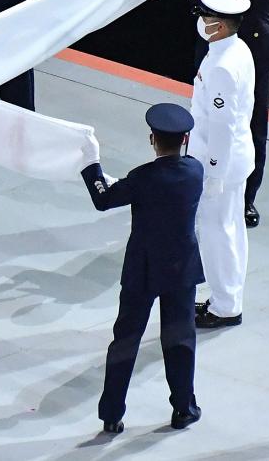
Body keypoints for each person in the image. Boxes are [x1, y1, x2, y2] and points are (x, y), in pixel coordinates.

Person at [80, 104, 204, 433]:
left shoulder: (142, 179)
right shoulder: (195, 172)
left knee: (126, 340)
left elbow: (103, 198)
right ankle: (183, 408)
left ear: (152, 138)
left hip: (143, 269)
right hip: (180, 269)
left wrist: (91, 163)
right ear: (185, 139)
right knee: (180, 340)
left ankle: (111, 414)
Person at [169, 0, 269, 227]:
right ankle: (199, 182)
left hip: (251, 51)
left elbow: (228, 3)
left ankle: (246, 199)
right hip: (214, 44)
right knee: (204, 114)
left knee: (251, 126)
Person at [181, 0, 255, 329]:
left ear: (221, 25)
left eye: (206, 17)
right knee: (231, 229)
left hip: (220, 163)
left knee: (216, 233)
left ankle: (225, 307)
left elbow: (222, 127)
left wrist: (213, 174)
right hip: (234, 159)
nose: (201, 21)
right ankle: (228, 297)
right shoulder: (236, 49)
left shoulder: (223, 66)